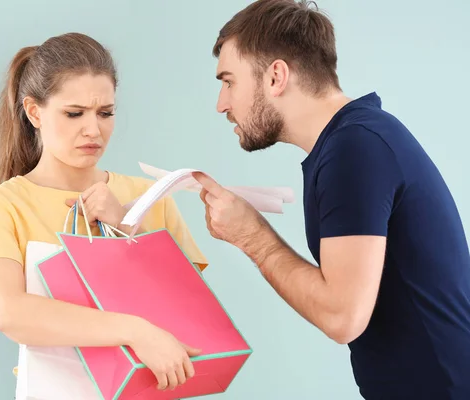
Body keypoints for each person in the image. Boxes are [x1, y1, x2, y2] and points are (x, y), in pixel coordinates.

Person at [192, 1, 470, 399]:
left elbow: (343, 317)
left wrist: (251, 236)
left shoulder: (354, 148)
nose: (221, 103)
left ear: (276, 76)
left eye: (229, 81)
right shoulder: (352, 141)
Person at [0, 32, 208, 394]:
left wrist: (129, 229)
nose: (93, 130)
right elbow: (10, 313)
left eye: (105, 113)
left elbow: (191, 310)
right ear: (34, 112)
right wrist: (134, 330)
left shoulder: (149, 197)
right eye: (74, 113)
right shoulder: (2, 205)